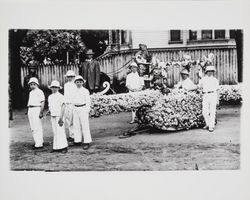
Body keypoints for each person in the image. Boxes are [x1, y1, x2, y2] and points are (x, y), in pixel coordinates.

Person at [72, 75, 92, 150]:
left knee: (85, 125)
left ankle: (87, 141)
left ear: (82, 82)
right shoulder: (73, 91)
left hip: (83, 108)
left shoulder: (85, 91)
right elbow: (72, 100)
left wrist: (87, 110)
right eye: (77, 82)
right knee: (76, 125)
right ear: (75, 82)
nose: (79, 83)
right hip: (75, 108)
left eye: (80, 82)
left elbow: (88, 102)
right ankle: (77, 140)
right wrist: (73, 108)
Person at [198, 65, 220, 132]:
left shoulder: (215, 80)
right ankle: (208, 124)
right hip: (205, 95)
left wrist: (217, 100)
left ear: (213, 72)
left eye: (211, 71)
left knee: (212, 111)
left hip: (213, 95)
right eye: (208, 71)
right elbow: (199, 87)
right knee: (204, 112)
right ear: (206, 72)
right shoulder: (203, 79)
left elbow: (217, 90)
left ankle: (211, 126)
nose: (210, 72)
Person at [27, 77, 45, 149]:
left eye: (34, 84)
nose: (32, 85)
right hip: (30, 109)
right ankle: (37, 141)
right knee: (33, 127)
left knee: (37, 126)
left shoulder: (39, 92)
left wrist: (41, 112)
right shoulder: (31, 92)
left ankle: (39, 144)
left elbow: (42, 102)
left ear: (37, 84)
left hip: (37, 109)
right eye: (31, 84)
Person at [63, 70, 77, 142]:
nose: (70, 78)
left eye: (71, 77)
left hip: (73, 104)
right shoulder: (65, 85)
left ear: (74, 77)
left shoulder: (75, 85)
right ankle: (71, 135)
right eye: (68, 77)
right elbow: (65, 95)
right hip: (67, 104)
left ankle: (75, 135)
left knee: (73, 120)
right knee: (68, 120)